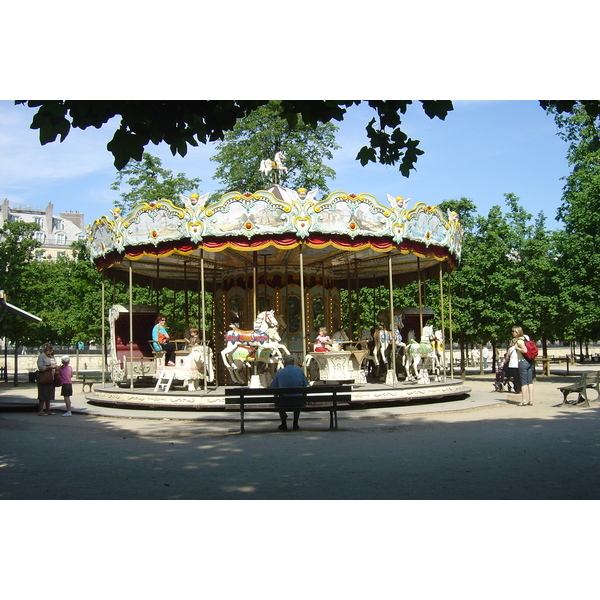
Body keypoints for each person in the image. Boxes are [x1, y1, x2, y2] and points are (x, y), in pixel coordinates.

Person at [269, 355, 309, 431]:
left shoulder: (280, 372)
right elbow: (305, 386)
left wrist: (276, 401)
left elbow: (273, 387)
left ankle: (284, 423)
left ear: (285, 362)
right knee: (297, 398)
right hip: (298, 402)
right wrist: (304, 400)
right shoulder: (299, 371)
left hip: (283, 402)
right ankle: (295, 423)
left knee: (280, 399)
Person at [37, 343, 59, 416]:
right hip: (44, 377)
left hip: (51, 377)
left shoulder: (52, 357)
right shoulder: (41, 357)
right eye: (49, 351)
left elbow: (55, 364)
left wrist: (57, 368)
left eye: (51, 351)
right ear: (45, 351)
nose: (50, 352)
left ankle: (48, 410)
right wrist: (50, 367)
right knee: (43, 394)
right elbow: (41, 367)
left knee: (49, 394)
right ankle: (41, 410)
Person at [514, 325, 534, 406]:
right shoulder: (526, 337)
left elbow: (525, 350)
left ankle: (524, 400)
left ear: (517, 332)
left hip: (522, 361)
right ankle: (531, 400)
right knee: (530, 382)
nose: (512, 333)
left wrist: (517, 348)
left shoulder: (519, 341)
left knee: (523, 382)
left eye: (514, 332)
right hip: (530, 361)